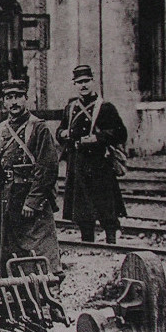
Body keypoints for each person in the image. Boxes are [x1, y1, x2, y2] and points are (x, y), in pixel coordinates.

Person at [0, 79, 62, 277]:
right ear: (4, 102)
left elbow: (48, 168)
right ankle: (12, 289)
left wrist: (33, 201)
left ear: (26, 98)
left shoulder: (38, 128)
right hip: (6, 198)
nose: (14, 102)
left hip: (30, 201)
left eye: (18, 96)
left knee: (38, 249)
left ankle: (47, 288)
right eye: (9, 97)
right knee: (6, 250)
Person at [57, 64, 128, 244]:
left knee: (105, 207)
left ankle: (111, 241)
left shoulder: (105, 108)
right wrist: (62, 134)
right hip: (78, 164)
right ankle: (87, 242)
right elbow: (60, 131)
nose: (83, 85)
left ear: (93, 82)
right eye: (79, 82)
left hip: (99, 165)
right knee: (81, 210)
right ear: (74, 84)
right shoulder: (70, 107)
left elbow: (121, 133)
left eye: (87, 81)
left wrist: (97, 138)